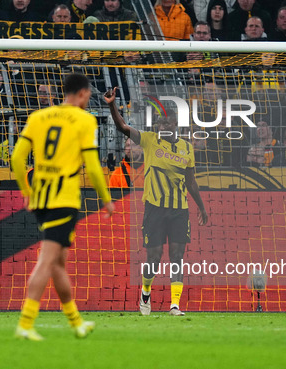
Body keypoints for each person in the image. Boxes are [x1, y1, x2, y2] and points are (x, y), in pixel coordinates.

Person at [11, 73, 114, 341]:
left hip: (41, 198)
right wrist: (106, 198)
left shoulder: (38, 117)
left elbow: (17, 157)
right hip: (64, 199)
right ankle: (26, 322)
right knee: (47, 260)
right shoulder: (85, 119)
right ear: (81, 94)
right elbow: (92, 165)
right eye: (89, 94)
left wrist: (27, 192)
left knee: (58, 263)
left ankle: (76, 322)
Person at [104, 86, 209, 316]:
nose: (161, 128)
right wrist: (112, 104)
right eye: (159, 124)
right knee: (154, 256)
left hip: (179, 209)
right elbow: (122, 127)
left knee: (177, 255)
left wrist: (201, 207)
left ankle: (174, 305)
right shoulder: (149, 140)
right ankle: (146, 291)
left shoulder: (186, 149)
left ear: (174, 126)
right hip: (154, 208)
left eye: (166, 124)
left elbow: (191, 182)